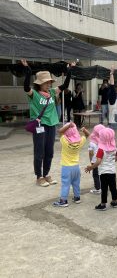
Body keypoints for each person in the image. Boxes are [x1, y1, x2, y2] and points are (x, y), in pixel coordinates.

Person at [22, 58, 74, 187]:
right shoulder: (33, 94)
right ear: (40, 83)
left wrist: (69, 71)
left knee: (49, 151)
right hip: (40, 125)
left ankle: (46, 174)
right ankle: (39, 176)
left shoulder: (51, 92)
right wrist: (28, 71)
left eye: (49, 82)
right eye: (46, 83)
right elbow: (25, 87)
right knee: (39, 151)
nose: (49, 84)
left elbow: (65, 86)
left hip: (52, 124)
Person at [53, 122, 89, 207]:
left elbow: (60, 132)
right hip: (76, 167)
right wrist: (83, 129)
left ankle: (63, 201)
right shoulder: (80, 142)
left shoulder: (65, 142)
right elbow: (87, 134)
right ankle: (77, 197)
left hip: (66, 167)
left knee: (65, 184)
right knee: (76, 183)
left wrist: (68, 126)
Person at [85, 128, 117, 211]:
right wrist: (110, 161)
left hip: (103, 172)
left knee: (104, 188)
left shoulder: (101, 150)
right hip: (112, 171)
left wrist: (91, 167)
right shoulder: (114, 148)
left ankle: (103, 204)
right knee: (113, 187)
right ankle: (114, 201)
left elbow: (98, 162)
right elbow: (116, 158)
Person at [88, 124, 105, 195]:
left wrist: (91, 161)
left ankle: (98, 188)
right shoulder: (104, 140)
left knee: (95, 175)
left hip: (95, 161)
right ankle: (104, 187)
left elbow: (91, 153)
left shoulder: (92, 142)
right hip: (102, 160)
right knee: (102, 174)